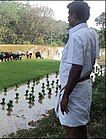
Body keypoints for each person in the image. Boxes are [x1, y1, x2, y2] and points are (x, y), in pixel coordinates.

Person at [55, 1, 99, 138]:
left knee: (72, 127)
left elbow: (76, 68)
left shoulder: (77, 36)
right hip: (82, 86)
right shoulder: (92, 33)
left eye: (69, 15)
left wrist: (66, 95)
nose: (67, 18)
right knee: (79, 125)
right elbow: (92, 61)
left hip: (75, 89)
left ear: (74, 16)